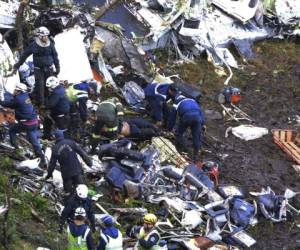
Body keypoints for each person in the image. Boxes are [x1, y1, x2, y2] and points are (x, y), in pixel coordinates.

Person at [0, 83, 46, 166]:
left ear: (18, 91)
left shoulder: (18, 99)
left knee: (12, 131)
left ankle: (16, 149)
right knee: (33, 140)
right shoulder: (25, 96)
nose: (13, 91)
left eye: (15, 90)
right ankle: (42, 159)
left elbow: (6, 104)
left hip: (27, 124)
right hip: (34, 121)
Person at [12, 26, 60, 107]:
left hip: (49, 68)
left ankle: (50, 104)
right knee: (40, 86)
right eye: (44, 36)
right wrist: (17, 66)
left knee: (50, 85)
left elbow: (55, 56)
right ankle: (41, 104)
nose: (46, 38)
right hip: (39, 69)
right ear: (40, 36)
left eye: (47, 36)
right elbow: (24, 55)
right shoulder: (34, 45)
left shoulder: (50, 44)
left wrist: (58, 67)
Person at [167, 94, 205, 162]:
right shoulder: (193, 100)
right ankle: (196, 155)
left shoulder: (177, 102)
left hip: (187, 116)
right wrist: (202, 123)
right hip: (197, 117)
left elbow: (172, 117)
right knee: (196, 135)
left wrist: (169, 128)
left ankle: (179, 148)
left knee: (179, 133)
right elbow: (200, 112)